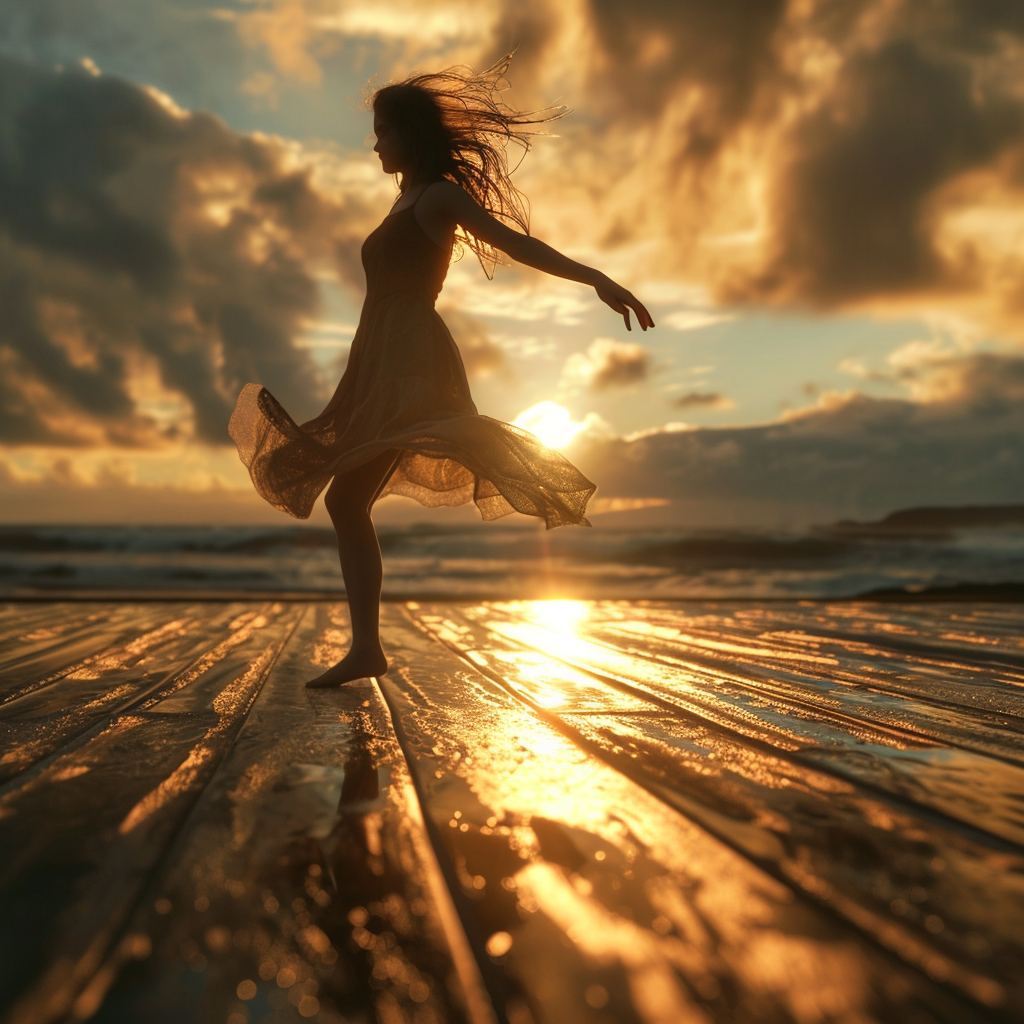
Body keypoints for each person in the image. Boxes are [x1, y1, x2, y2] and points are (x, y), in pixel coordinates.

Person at [229, 55, 654, 687]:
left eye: (384, 132)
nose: (375, 144)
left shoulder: (439, 197)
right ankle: (366, 646)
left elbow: (518, 244)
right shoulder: (406, 201)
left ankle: (368, 647)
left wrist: (595, 278)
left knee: (349, 496)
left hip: (408, 354)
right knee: (347, 500)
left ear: (411, 137)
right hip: (377, 354)